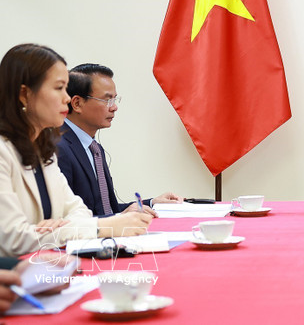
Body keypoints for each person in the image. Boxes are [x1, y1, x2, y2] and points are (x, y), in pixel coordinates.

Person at [0, 44, 152, 257]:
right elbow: (13, 239)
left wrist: (61, 226)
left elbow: (79, 211)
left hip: (47, 269)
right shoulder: (3, 152)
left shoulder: (43, 152)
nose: (67, 99)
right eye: (58, 88)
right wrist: (98, 228)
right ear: (25, 94)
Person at [56, 64, 181, 217]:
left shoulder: (94, 148)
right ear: (77, 103)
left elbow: (106, 210)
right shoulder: (57, 148)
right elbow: (62, 221)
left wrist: (151, 203)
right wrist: (118, 218)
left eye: (115, 100)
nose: (114, 107)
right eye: (107, 100)